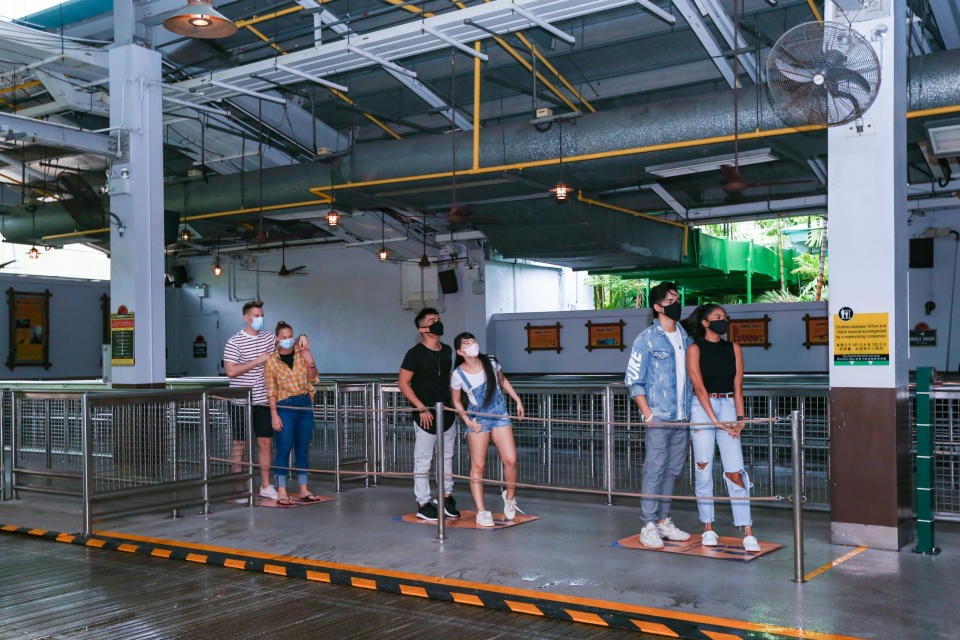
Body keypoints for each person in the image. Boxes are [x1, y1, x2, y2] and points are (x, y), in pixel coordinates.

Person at [685, 304, 760, 552]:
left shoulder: (733, 348)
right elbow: (698, 387)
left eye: (724, 317)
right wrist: (714, 420)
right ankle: (708, 527)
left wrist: (740, 417)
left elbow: (738, 385)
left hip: (728, 405)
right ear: (705, 323)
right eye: (717, 317)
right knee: (703, 467)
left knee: (735, 469)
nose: (723, 320)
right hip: (702, 408)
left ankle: (747, 529)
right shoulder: (694, 349)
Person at [624, 282, 693, 549]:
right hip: (660, 417)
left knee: (672, 471)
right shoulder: (646, 339)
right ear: (657, 306)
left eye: (677, 297)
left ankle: (664, 521)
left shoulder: (686, 337)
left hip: (682, 417)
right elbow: (634, 380)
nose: (676, 302)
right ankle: (648, 524)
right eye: (670, 299)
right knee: (653, 470)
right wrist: (648, 414)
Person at [449, 332, 524, 528]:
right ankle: (481, 511)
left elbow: (502, 380)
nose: (473, 345)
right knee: (478, 466)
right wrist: (467, 420)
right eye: (467, 343)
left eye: (474, 341)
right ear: (460, 351)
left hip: (500, 414)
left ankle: (509, 497)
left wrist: (516, 400)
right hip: (477, 418)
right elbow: (456, 400)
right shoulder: (458, 375)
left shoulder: (490, 362)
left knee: (511, 459)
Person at [398, 308, 460, 521]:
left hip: (447, 413)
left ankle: (446, 496)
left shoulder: (447, 350)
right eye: (432, 320)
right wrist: (421, 407)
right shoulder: (414, 354)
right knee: (423, 459)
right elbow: (403, 383)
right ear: (422, 328)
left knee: (447, 457)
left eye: (439, 319)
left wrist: (455, 402)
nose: (437, 323)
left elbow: (449, 378)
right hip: (426, 414)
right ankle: (423, 502)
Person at [224, 300, 278, 501]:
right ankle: (240, 488)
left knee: (265, 442)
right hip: (240, 402)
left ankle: (265, 485)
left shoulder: (268, 338)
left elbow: (286, 341)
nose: (260, 319)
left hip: (263, 401)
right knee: (240, 444)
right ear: (246, 318)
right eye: (256, 316)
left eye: (261, 315)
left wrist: (301, 339)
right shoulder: (234, 342)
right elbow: (231, 371)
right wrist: (257, 361)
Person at [265, 322, 322, 505]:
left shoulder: (300, 353)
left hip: (304, 403)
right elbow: (271, 391)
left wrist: (311, 361)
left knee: (302, 448)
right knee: (283, 447)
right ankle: (281, 490)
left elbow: (314, 377)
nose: (288, 340)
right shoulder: (272, 361)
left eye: (290, 336)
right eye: (284, 337)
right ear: (277, 339)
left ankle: (303, 488)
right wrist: (274, 414)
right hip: (285, 406)